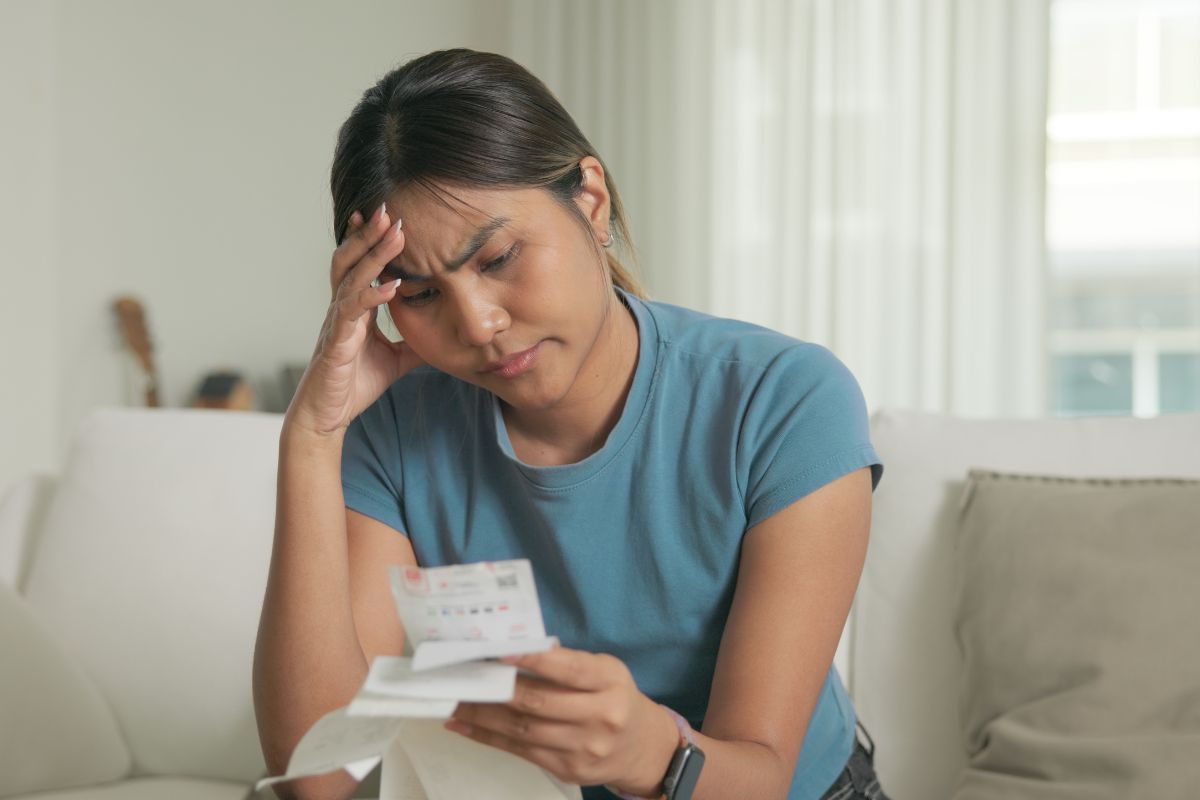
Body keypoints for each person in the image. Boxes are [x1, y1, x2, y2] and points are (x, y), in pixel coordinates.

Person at [252, 48, 889, 800]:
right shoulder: (393, 430)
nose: (480, 323)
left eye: (497, 257)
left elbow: (763, 772)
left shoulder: (783, 401)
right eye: (421, 296)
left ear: (590, 200)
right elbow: (321, 779)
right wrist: (311, 438)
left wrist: (649, 751)